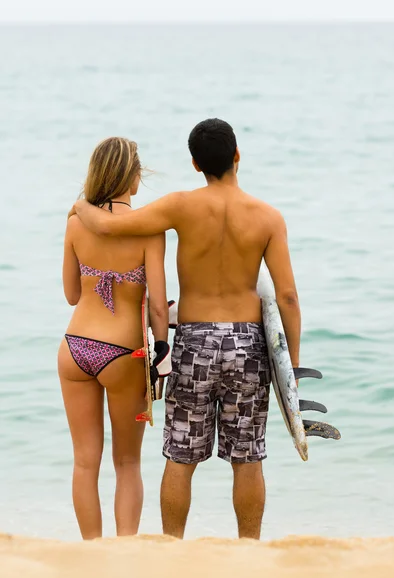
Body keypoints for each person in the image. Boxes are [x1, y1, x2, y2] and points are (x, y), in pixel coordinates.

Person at [73, 118, 301, 540]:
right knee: (247, 458)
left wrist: (80, 206)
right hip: (246, 344)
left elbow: (108, 226)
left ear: (195, 164)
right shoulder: (268, 217)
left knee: (180, 456)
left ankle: (171, 550)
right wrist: (294, 370)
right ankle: (248, 550)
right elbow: (287, 297)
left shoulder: (180, 205)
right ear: (237, 156)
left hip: (194, 341)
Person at [59, 137, 169, 539]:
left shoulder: (75, 222)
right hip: (124, 353)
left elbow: (72, 294)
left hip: (75, 348)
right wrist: (162, 349)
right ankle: (123, 556)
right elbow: (158, 305)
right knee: (127, 463)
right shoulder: (149, 230)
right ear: (133, 177)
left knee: (85, 463)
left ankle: (91, 553)